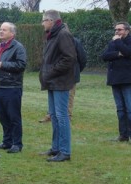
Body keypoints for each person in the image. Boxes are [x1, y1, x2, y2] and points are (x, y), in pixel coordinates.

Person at [39, 10, 77, 162]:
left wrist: (51, 72)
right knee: (54, 116)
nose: (42, 24)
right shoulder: (53, 35)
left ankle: (65, 151)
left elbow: (69, 58)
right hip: (52, 82)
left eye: (43, 20)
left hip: (60, 82)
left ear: (51, 21)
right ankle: (55, 148)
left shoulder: (63, 34)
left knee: (62, 116)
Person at [0, 22, 27, 153]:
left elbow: (21, 65)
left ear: (12, 33)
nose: (1, 32)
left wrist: (2, 64)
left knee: (13, 116)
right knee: (3, 116)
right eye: (0, 29)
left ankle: (17, 143)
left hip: (12, 87)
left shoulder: (18, 47)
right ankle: (7, 141)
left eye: (4, 30)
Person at [102, 22, 131, 145]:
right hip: (115, 79)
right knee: (120, 110)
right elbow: (105, 56)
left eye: (119, 29)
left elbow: (129, 52)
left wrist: (118, 43)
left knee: (130, 109)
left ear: (127, 30)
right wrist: (118, 54)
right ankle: (123, 135)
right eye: (115, 30)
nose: (117, 32)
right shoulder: (113, 42)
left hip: (128, 80)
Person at [38, 26, 87, 123]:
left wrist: (76, 70)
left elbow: (82, 58)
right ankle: (50, 115)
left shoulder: (75, 41)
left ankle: (67, 115)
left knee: (69, 95)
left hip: (70, 74)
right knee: (53, 96)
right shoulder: (52, 41)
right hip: (56, 74)